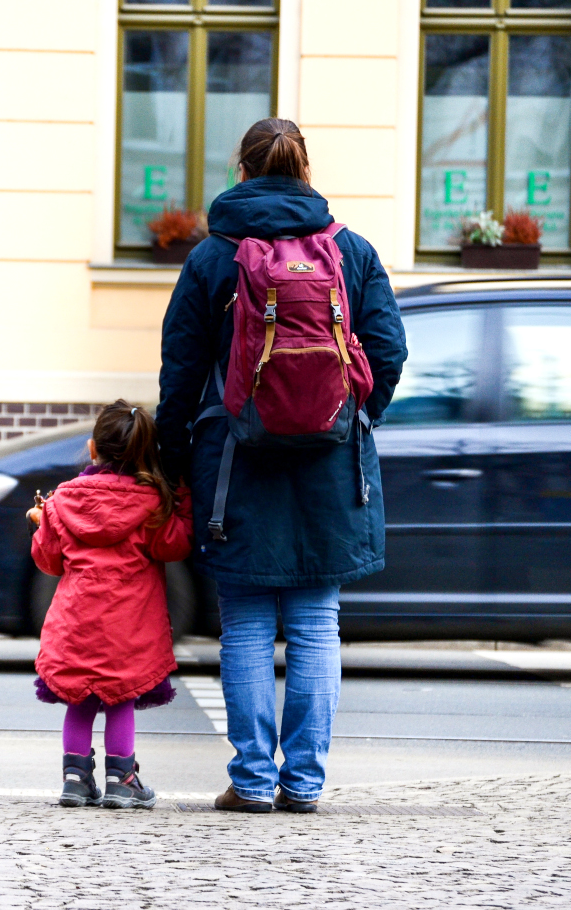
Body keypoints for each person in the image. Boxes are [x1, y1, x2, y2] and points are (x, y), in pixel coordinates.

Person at [156, 118, 407, 814]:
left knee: (243, 625)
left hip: (235, 461)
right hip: (330, 463)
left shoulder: (213, 257)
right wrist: (353, 416)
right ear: (304, 170)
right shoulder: (350, 251)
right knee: (316, 624)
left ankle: (255, 782)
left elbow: (179, 372)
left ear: (242, 169)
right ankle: (304, 783)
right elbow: (388, 352)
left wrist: (175, 461)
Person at [28, 400, 193, 810]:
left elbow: (49, 561)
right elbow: (174, 546)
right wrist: (184, 498)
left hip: (76, 624)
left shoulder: (63, 500)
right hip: (130, 627)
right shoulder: (152, 503)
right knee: (121, 699)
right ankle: (123, 779)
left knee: (79, 702)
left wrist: (40, 523)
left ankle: (75, 778)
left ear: (91, 449)